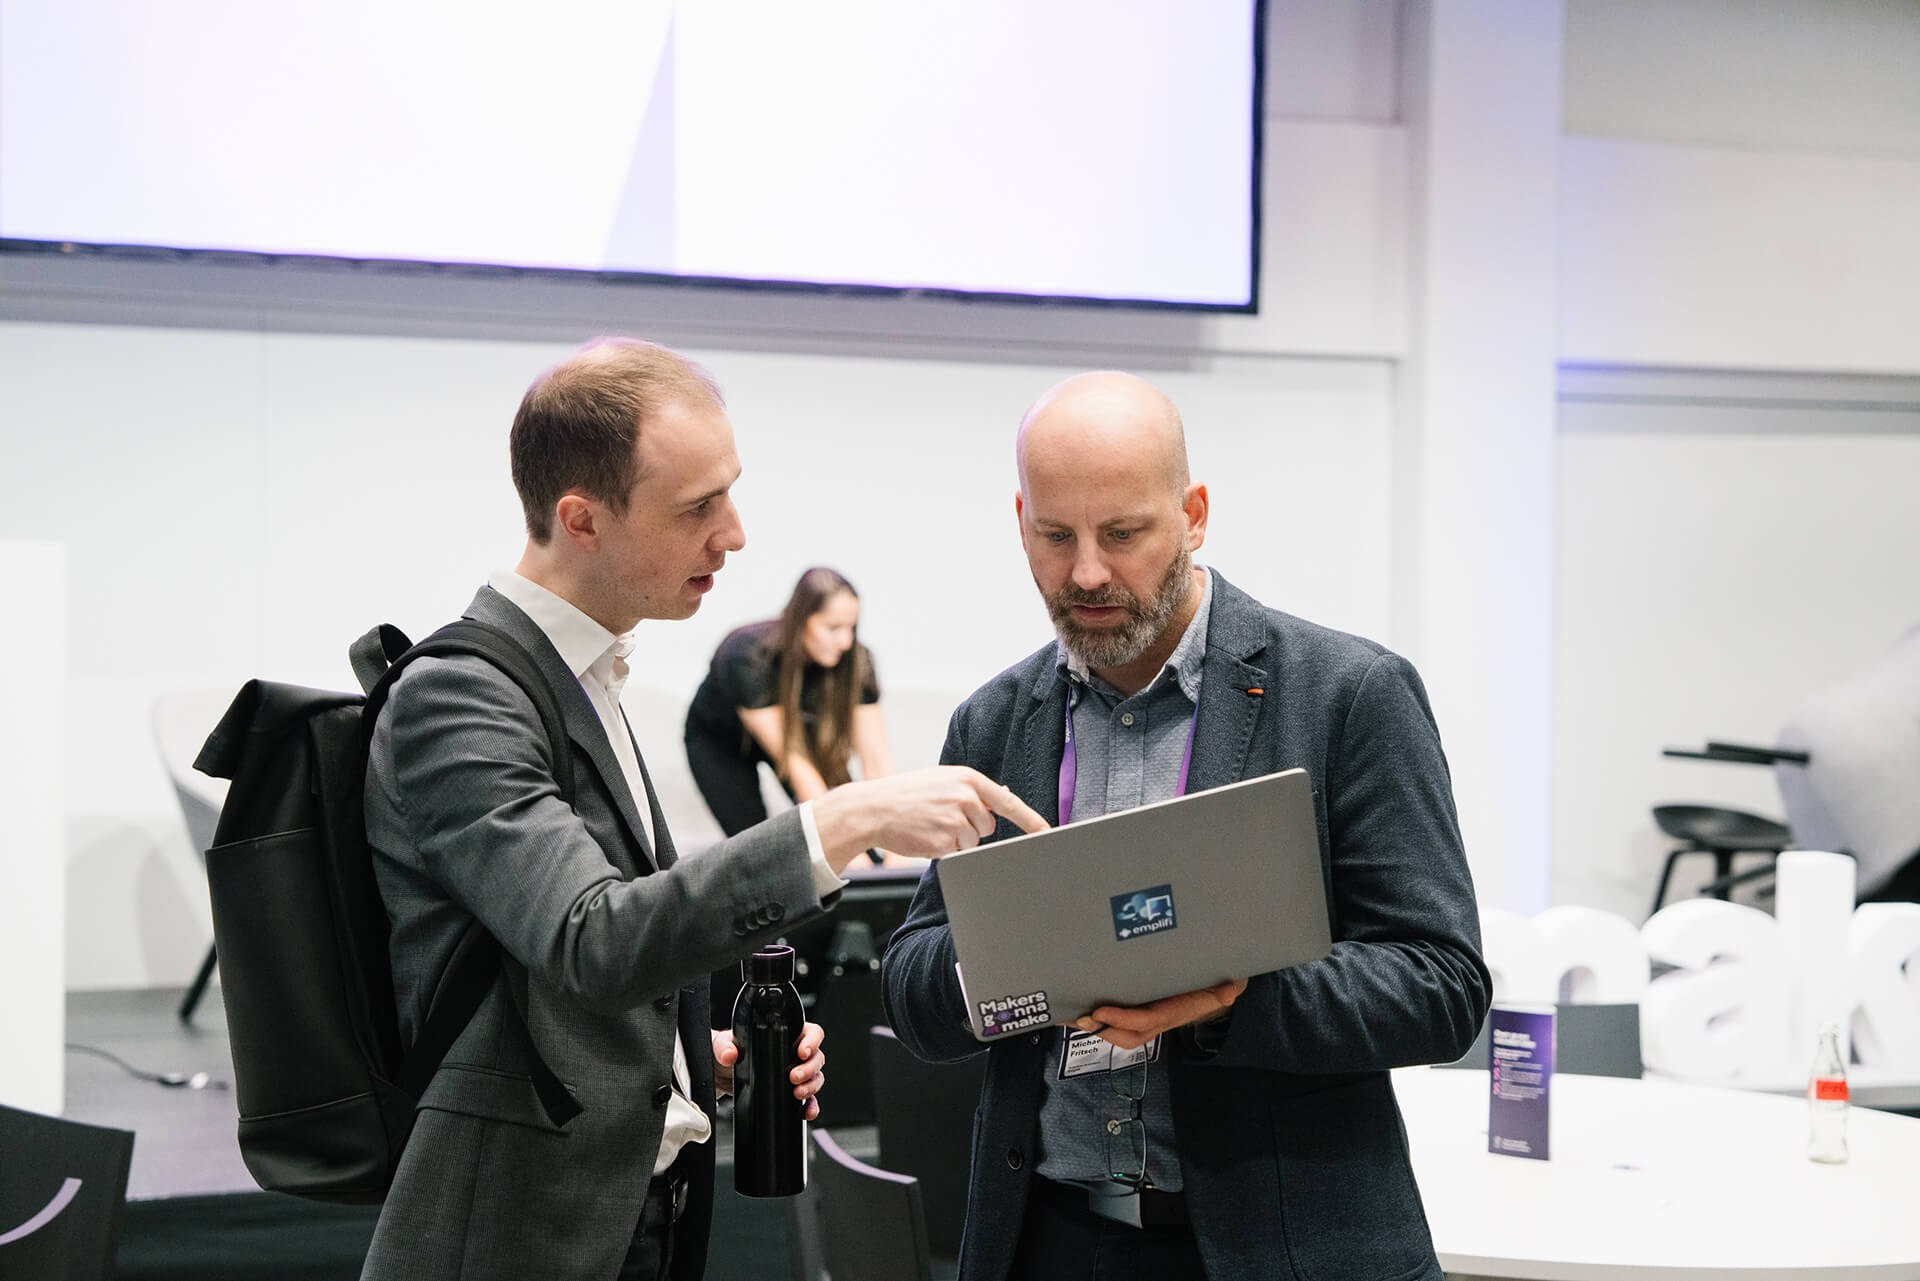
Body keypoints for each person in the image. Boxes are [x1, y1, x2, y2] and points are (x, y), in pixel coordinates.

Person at [361, 337, 1045, 1281]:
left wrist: (686, 1064)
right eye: (697, 507)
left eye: (729, 491)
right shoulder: (462, 695)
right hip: (516, 1231)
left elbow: (556, 975)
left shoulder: (580, 672)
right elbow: (592, 938)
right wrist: (844, 820)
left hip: (624, 1213)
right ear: (581, 519)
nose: (734, 532)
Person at [880, 371, 1490, 1281]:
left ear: (1193, 513)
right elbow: (912, 985)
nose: (1086, 571)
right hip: (1049, 1241)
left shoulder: (1347, 696)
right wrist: (1008, 969)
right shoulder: (996, 720)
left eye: (1123, 533)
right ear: (1021, 521)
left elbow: (1442, 986)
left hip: (1279, 1247)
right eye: (1055, 535)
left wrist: (1234, 995)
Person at [684, 566, 902, 854]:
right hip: (721, 744)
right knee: (756, 848)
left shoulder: (856, 662)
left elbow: (878, 765)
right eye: (833, 628)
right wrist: (847, 850)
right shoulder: (746, 656)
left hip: (798, 733)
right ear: (801, 621)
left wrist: (895, 849)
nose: (846, 641)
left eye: (852, 628)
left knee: (868, 846)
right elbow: (796, 765)